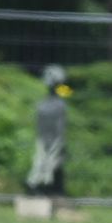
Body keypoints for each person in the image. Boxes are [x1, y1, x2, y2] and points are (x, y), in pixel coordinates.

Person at [25, 65, 71, 197]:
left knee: (52, 163)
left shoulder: (57, 100)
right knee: (43, 162)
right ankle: (35, 186)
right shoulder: (47, 103)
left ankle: (51, 188)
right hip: (47, 138)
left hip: (52, 137)